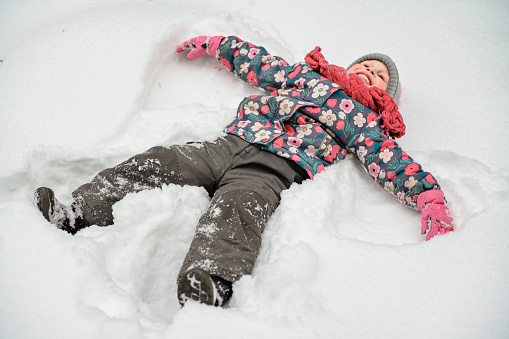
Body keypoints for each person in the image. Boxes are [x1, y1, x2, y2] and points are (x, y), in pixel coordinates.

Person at [34, 35, 454, 308]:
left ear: (385, 96)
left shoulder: (365, 120)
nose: (370, 73)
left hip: (276, 166)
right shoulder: (307, 77)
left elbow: (390, 161)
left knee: (238, 210)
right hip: (233, 141)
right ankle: (78, 210)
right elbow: (261, 63)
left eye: (380, 76)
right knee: (162, 161)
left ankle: (212, 282)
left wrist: (425, 194)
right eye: (368, 65)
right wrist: (220, 45)